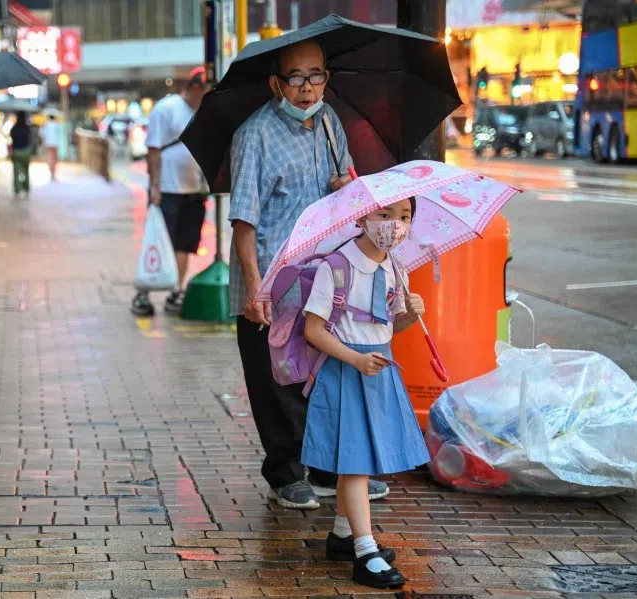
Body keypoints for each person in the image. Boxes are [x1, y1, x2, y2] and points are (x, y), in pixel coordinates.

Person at [228, 39, 390, 509]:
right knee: (275, 380)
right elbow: (244, 220)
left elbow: (342, 195)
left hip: (320, 277)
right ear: (276, 83)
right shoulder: (253, 134)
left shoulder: (330, 124)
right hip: (272, 279)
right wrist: (255, 289)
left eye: (315, 74)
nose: (306, 87)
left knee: (318, 374)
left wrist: (349, 188)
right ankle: (284, 470)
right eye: (295, 77)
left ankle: (323, 467)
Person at [301, 197, 429, 588]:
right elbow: (313, 329)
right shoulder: (336, 267)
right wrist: (356, 361)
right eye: (385, 215)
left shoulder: (395, 267)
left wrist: (411, 315)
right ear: (362, 217)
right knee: (354, 463)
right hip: (346, 371)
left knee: (359, 458)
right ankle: (365, 551)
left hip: (377, 368)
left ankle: (342, 535)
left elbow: (385, 328)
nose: (394, 225)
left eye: (404, 217)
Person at [131, 67, 211, 317]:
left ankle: (176, 290)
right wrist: (154, 187)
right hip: (167, 190)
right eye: (205, 93)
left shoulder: (205, 112)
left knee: (185, 245)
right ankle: (143, 293)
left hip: (194, 190)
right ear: (195, 88)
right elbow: (153, 149)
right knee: (159, 241)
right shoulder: (167, 109)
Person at [9, 111, 33, 196]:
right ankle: (26, 187)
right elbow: (30, 139)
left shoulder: (14, 128)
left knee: (16, 171)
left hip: (16, 151)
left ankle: (17, 189)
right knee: (26, 171)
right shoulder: (27, 128)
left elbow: (11, 139)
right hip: (26, 151)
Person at [42, 114, 60, 181]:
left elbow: (43, 134)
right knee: (54, 159)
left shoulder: (46, 125)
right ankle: (53, 173)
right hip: (55, 144)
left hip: (49, 144)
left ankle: (51, 173)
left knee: (50, 158)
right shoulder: (56, 124)